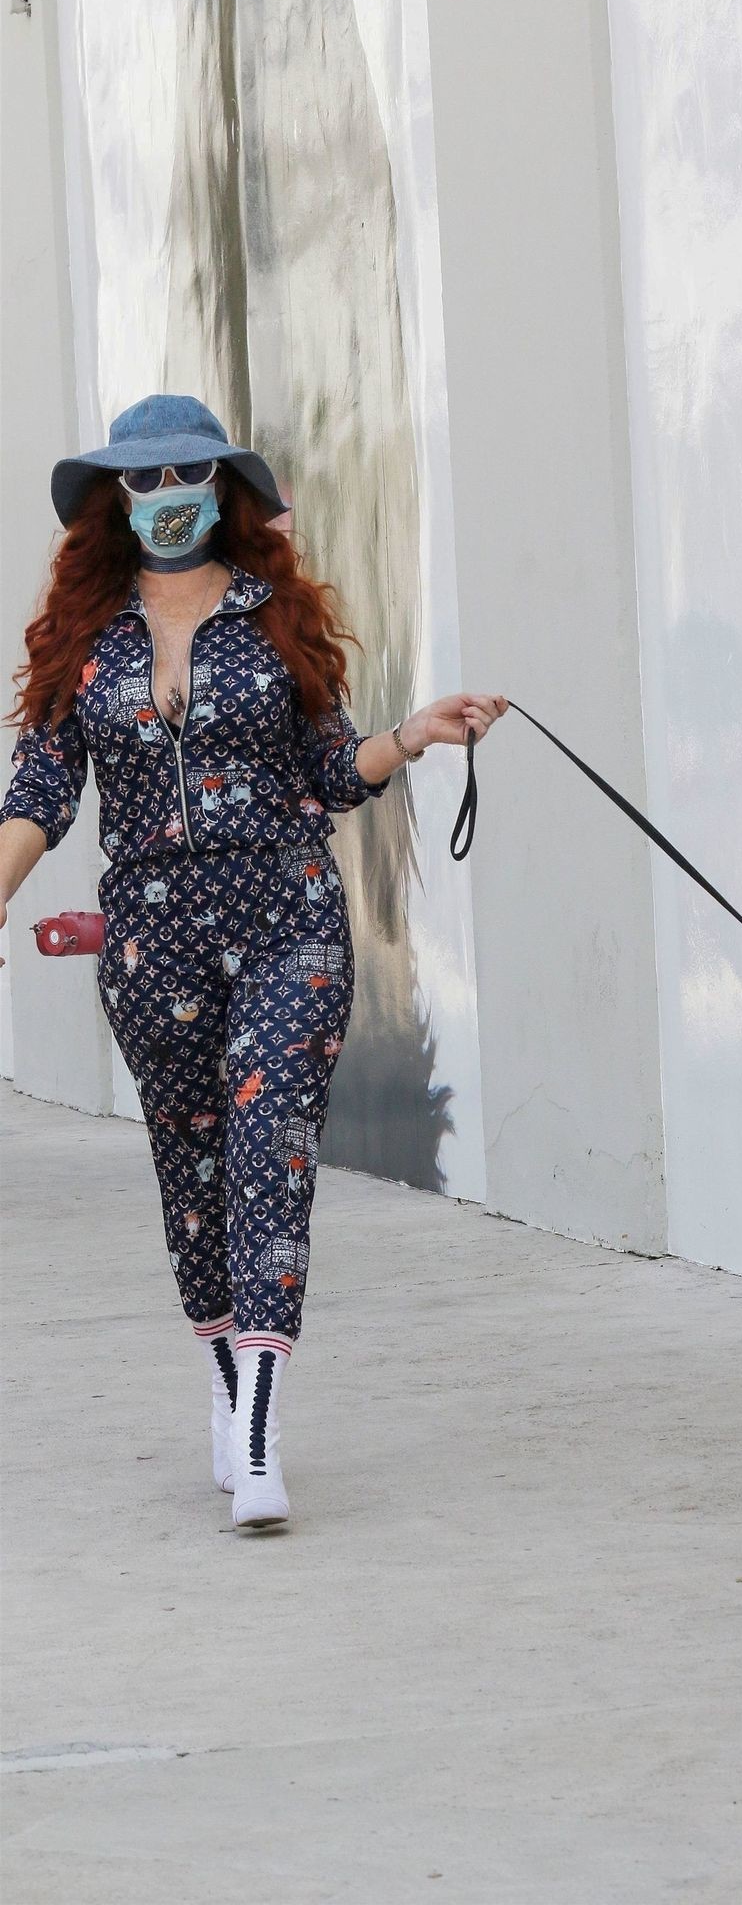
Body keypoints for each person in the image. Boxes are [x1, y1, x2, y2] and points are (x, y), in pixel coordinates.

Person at [0, 394, 506, 1530]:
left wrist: (412, 736)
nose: (166, 498)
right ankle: (229, 1390)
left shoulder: (275, 617)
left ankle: (264, 1429)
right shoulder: (88, 639)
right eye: (142, 481)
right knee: (193, 1178)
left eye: (186, 475)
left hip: (288, 918)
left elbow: (330, 770)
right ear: (116, 500)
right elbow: (40, 793)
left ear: (221, 487)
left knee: (268, 1144)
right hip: (153, 943)